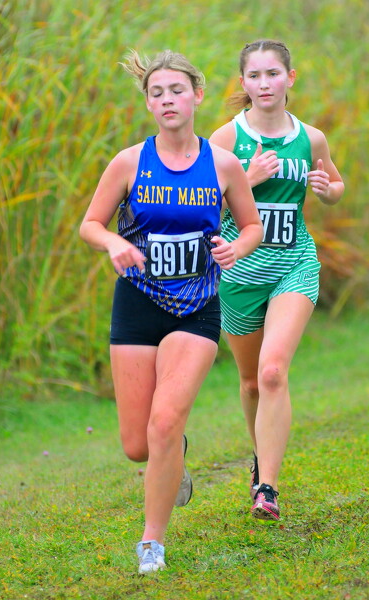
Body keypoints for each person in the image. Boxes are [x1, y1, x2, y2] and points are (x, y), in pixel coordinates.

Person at [79, 49, 263, 573]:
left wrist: (237, 247)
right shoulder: (129, 162)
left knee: (163, 422)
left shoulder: (222, 164)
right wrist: (113, 242)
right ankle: (172, 453)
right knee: (139, 445)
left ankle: (151, 543)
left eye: (177, 90)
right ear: (148, 103)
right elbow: (90, 224)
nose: (167, 100)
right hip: (137, 302)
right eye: (156, 93)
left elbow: (251, 226)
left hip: (197, 307)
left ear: (197, 95)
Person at [209, 39, 344, 521]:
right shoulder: (227, 137)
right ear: (243, 83)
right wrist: (247, 178)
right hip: (239, 271)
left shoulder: (312, 138)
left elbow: (335, 183)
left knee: (272, 372)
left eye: (273, 74)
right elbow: (200, 203)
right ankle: (259, 457)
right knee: (250, 383)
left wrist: (328, 190)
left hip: (293, 264)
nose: (264, 84)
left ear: (290, 77)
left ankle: (267, 487)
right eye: (254, 76)